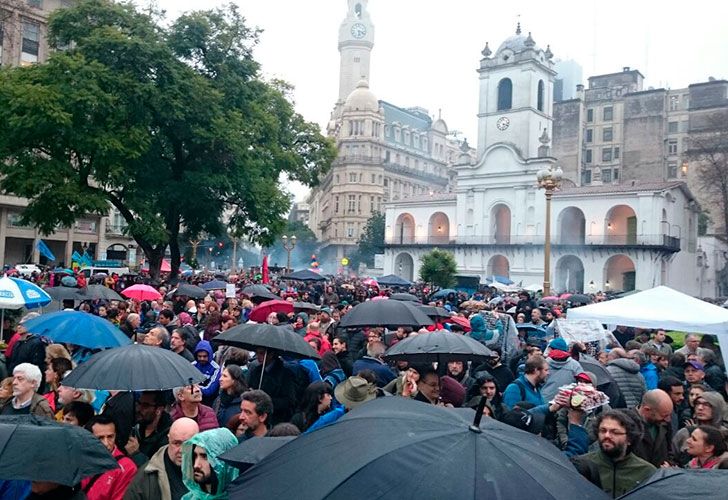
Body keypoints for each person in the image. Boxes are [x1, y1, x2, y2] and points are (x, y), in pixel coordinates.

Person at [574, 410, 656, 498]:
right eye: (603, 430)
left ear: (629, 439)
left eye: (615, 432)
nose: (607, 436)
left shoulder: (646, 472)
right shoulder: (582, 465)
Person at [124, 417, 200, 500]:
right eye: (176, 443)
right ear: (168, 439)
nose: (182, 450)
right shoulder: (145, 478)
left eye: (188, 444)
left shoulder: (211, 472)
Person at [83, 415, 138, 500]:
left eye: (110, 437)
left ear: (115, 435)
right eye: (100, 438)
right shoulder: (81, 457)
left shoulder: (127, 467)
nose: (106, 443)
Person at [181, 428, 239, 500]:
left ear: (223, 461)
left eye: (205, 457)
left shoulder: (245, 496)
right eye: (195, 456)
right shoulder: (188, 498)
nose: (196, 465)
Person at [672, 391, 726, 465]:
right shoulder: (685, 433)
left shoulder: (725, 434)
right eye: (697, 403)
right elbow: (672, 458)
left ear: (717, 408)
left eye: (706, 404)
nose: (700, 408)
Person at [247, 348, 297, 426]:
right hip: (257, 417)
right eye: (257, 353)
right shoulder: (256, 371)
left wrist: (266, 400)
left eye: (261, 353)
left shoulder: (285, 374)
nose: (258, 356)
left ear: (271, 354)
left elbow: (290, 401)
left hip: (277, 419)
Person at [127, 392, 173, 465]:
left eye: (145, 406)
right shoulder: (137, 426)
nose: (139, 409)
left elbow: (158, 469)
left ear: (159, 410)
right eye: (139, 403)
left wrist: (136, 454)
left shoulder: (168, 436)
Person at [630, 389, 674, 467]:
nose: (668, 419)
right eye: (664, 415)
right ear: (647, 410)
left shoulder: (665, 425)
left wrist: (669, 465)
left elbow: (670, 452)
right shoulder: (626, 425)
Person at [541, 338, 583, 403]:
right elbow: (581, 385)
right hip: (565, 402)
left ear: (551, 349)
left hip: (544, 402)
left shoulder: (543, 363)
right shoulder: (575, 365)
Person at [192, 341, 222, 408]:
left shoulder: (215, 368)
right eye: (199, 356)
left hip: (208, 404)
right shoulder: (192, 365)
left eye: (205, 356)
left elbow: (209, 390)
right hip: (193, 402)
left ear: (209, 355)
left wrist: (194, 387)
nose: (202, 358)